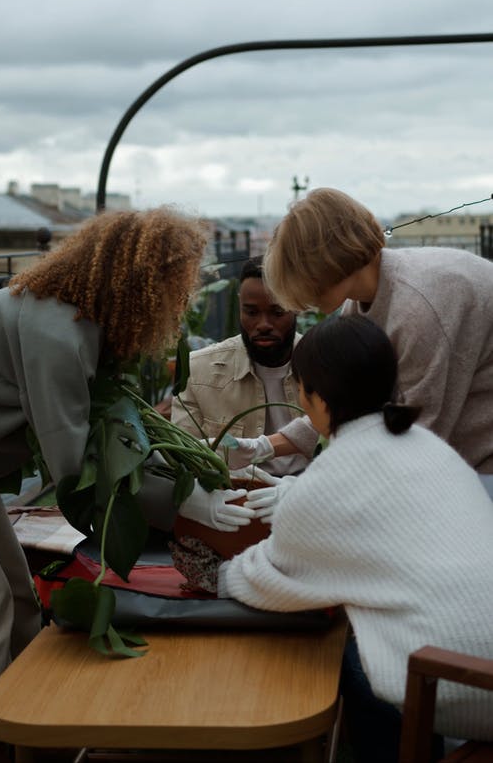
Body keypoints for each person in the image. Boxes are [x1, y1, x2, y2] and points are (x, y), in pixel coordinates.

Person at [171, 315, 493, 762]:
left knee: (333, 659)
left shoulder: (333, 477)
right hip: (482, 661)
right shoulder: (423, 443)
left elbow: (274, 579)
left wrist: (217, 573)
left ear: (315, 397)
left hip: (454, 681)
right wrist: (296, 492)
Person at [0, 207, 253, 682]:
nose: (178, 298)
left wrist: (185, 484)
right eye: (176, 283)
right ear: (140, 281)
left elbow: (115, 439)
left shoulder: (78, 319)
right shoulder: (58, 333)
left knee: (18, 598)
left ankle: (31, 725)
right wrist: (183, 506)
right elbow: (72, 466)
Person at [261, 186, 493, 491]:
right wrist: (265, 446)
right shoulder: (361, 303)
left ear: (324, 263)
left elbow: (417, 438)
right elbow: (346, 404)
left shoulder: (418, 310)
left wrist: (311, 494)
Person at [171, 256, 319, 477]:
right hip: (234, 495)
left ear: (295, 307)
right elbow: (184, 458)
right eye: (251, 312)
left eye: (277, 313)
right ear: (240, 306)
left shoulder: (324, 364)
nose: (263, 325)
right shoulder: (197, 369)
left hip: (311, 489)